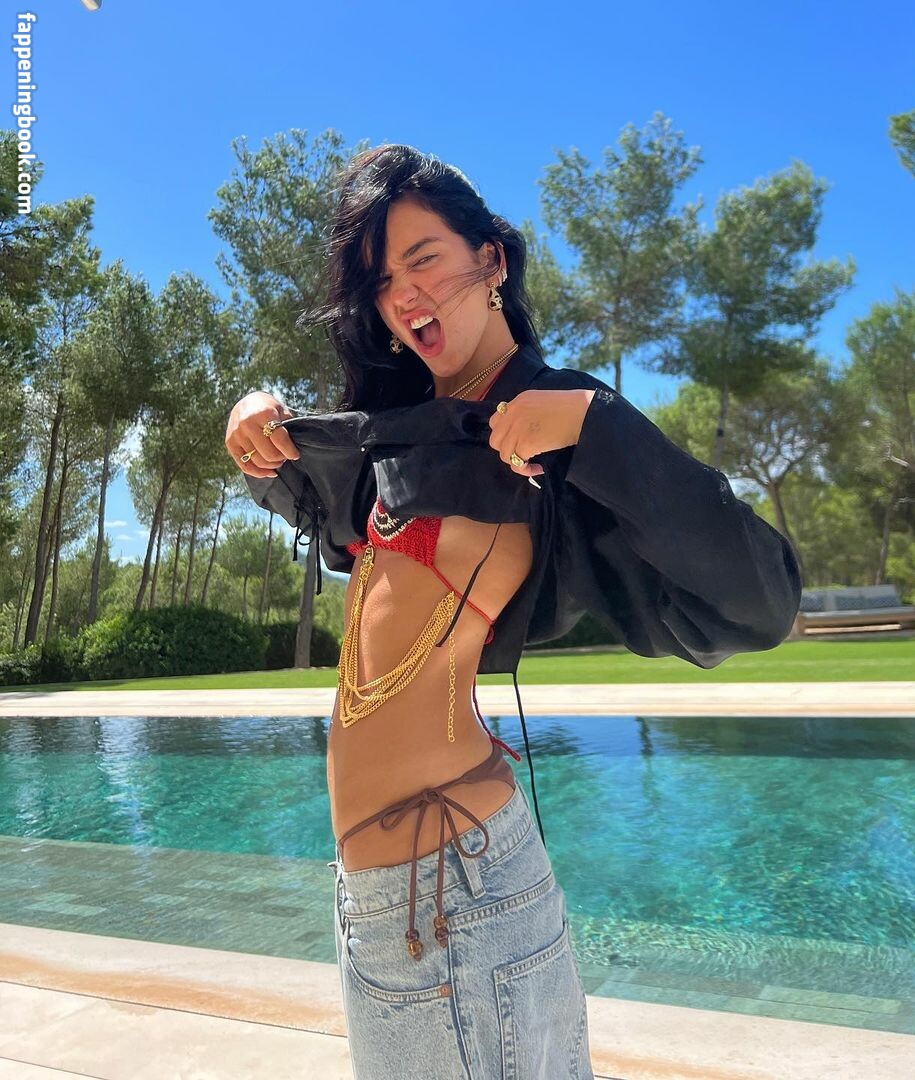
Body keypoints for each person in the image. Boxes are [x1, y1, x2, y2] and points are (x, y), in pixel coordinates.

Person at [225, 143, 801, 1080]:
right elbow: (328, 521)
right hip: (395, 889)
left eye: (424, 259)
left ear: (490, 260)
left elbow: (759, 599)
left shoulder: (555, 416)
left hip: (452, 885)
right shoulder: (407, 433)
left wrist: (592, 427)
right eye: (382, 280)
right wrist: (256, 420)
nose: (405, 295)